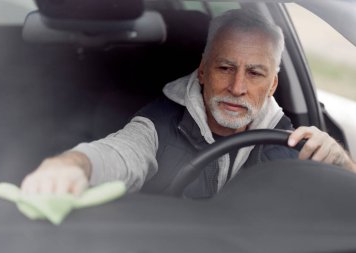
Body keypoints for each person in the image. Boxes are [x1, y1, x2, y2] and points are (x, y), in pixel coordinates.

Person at [21, 9, 356, 198]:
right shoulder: (156, 125)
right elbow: (120, 153)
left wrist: (341, 162)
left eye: (254, 73)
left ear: (272, 86)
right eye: (225, 68)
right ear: (202, 72)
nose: (237, 87)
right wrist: (74, 164)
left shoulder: (295, 142)